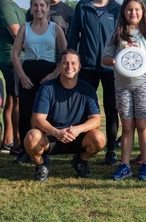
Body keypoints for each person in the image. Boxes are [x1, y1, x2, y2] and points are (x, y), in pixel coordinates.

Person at [102, 0, 146, 181]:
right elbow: (105, 58)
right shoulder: (117, 34)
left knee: (143, 124)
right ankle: (125, 165)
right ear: (124, 12)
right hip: (122, 85)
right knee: (127, 125)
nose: (133, 13)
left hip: (144, 84)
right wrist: (114, 61)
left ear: (143, 12)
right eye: (129, 9)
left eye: (137, 10)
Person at [25, 50, 107, 182]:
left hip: (76, 135)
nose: (69, 67)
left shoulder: (88, 89)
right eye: (65, 63)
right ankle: (40, 165)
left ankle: (81, 161)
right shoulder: (47, 88)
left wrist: (78, 129)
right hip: (51, 136)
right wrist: (56, 132)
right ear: (59, 66)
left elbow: (96, 120)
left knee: (99, 138)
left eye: (73, 63)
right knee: (31, 136)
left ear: (79, 67)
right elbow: (37, 119)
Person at [67, 0, 121, 165]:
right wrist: (71, 61)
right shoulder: (83, 5)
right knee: (83, 109)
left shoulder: (118, 9)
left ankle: (111, 151)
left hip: (110, 67)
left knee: (112, 108)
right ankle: (80, 148)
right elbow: (73, 36)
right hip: (87, 66)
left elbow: (121, 39)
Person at [12, 0, 67, 153]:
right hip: (28, 72)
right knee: (25, 112)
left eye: (42, 5)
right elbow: (15, 54)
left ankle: (47, 146)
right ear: (31, 8)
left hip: (48, 72)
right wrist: (22, 76)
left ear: (48, 8)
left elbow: (65, 54)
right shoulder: (25, 27)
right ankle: (24, 149)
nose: (39, 9)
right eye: (35, 5)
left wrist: (55, 74)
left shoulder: (55, 28)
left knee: (47, 112)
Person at [0, 0, 26, 153]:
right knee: (17, 99)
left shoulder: (10, 4)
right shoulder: (3, 5)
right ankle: (18, 143)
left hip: (12, 56)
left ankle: (8, 139)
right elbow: (16, 33)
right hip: (11, 56)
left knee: (12, 99)